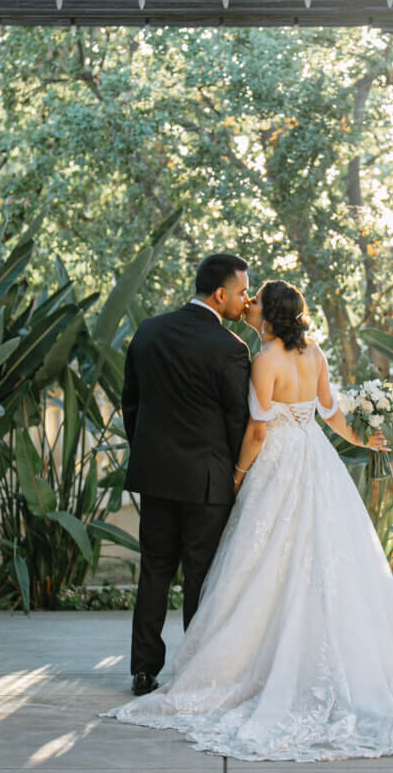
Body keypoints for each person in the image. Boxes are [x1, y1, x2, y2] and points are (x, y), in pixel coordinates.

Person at [107, 279, 393, 761]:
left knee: (264, 562)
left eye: (256, 300)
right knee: (322, 558)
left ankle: (236, 664)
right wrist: (361, 440)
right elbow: (331, 412)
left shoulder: (264, 360)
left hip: (276, 463)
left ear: (270, 314)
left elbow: (257, 431)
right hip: (316, 459)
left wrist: (238, 475)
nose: (248, 304)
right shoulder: (314, 352)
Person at [121, 252, 251, 697]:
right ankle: (195, 670)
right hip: (208, 482)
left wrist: (148, 452)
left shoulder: (149, 331)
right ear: (220, 295)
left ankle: (143, 670)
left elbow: (131, 402)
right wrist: (238, 473)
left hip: (156, 475)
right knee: (201, 576)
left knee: (154, 571)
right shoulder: (231, 348)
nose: (245, 300)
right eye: (241, 292)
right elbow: (237, 421)